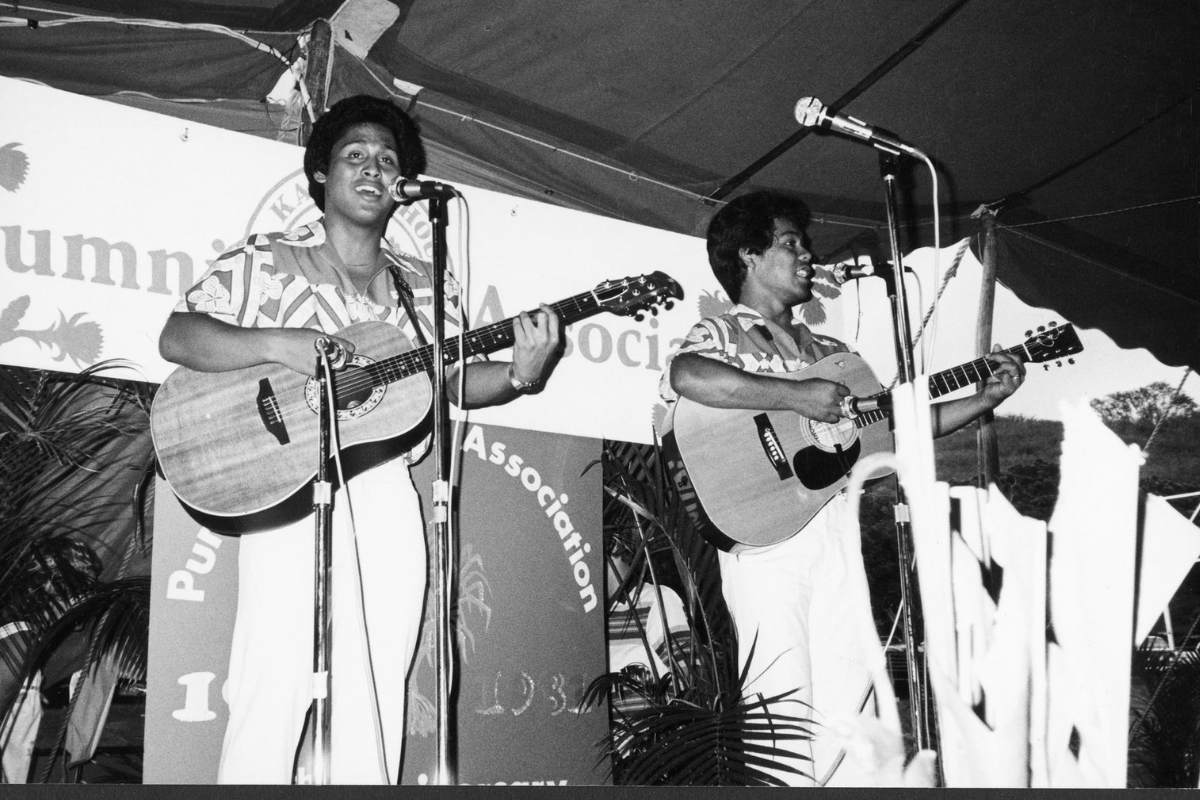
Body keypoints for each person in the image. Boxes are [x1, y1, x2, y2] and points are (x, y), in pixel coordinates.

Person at [158, 94, 561, 784]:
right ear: (320, 173)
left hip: (384, 487)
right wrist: (279, 344)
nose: (375, 168)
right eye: (356, 155)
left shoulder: (423, 283)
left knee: (374, 687)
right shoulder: (267, 259)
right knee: (270, 681)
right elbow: (179, 336)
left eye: (388, 160)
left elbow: (451, 382)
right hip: (287, 484)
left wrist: (521, 375)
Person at [658, 190, 1024, 786]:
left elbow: (896, 427)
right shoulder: (722, 332)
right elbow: (688, 376)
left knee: (851, 707)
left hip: (836, 529)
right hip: (766, 536)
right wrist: (795, 397)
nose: (808, 253)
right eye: (790, 243)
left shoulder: (832, 354)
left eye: (804, 242)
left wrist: (983, 399)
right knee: (780, 710)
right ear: (748, 256)